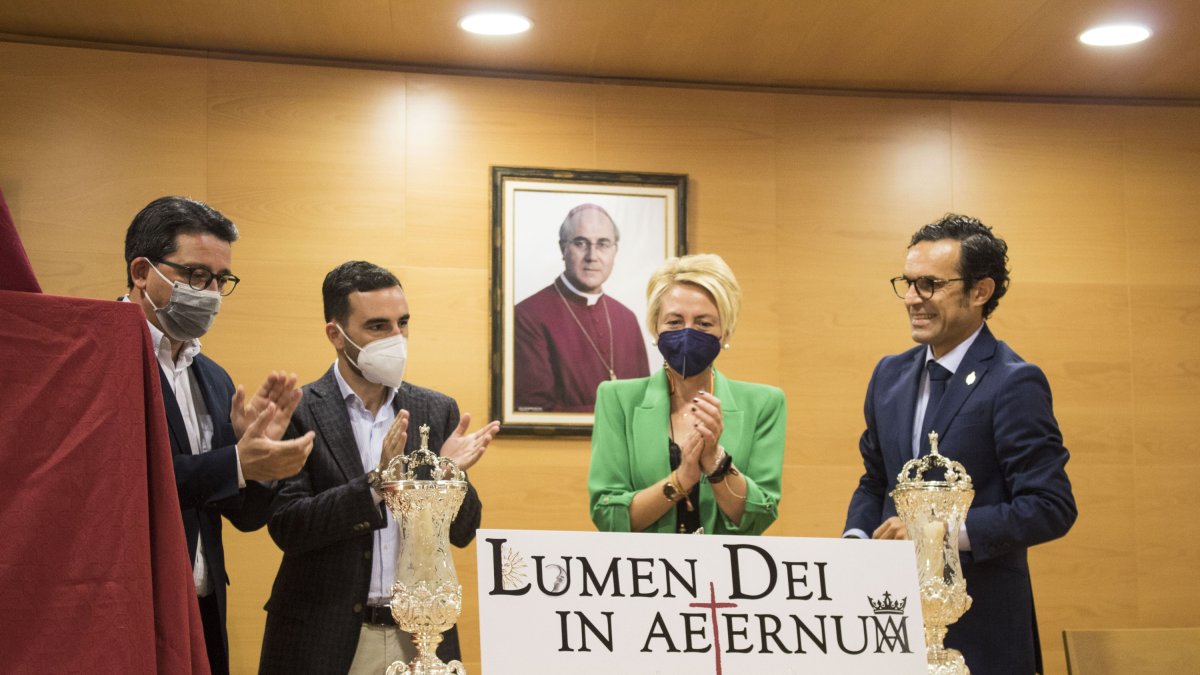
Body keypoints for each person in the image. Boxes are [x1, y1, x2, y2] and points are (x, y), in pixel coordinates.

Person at [843, 214, 1077, 675]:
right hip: (890, 627)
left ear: (980, 291)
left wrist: (938, 535)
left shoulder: (1014, 382)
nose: (913, 299)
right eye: (907, 283)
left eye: (929, 284)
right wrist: (854, 546)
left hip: (983, 635)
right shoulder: (887, 376)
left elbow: (1051, 506)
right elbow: (875, 483)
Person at [259, 261, 500, 674]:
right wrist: (377, 483)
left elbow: (463, 533)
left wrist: (449, 477)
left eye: (402, 323)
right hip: (325, 637)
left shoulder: (434, 410)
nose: (396, 338)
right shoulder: (300, 412)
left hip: (420, 637)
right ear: (336, 334)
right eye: (377, 326)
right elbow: (288, 526)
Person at [122, 196, 314, 675]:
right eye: (194, 275)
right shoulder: (98, 357)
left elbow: (241, 516)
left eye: (220, 280)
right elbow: (120, 482)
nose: (209, 292)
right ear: (142, 271)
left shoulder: (213, 377)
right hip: (128, 607)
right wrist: (234, 463)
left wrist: (260, 464)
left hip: (202, 608)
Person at [588, 253, 785, 535]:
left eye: (704, 324)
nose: (688, 333)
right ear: (655, 328)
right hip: (642, 574)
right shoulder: (617, 400)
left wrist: (716, 462)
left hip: (726, 574)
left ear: (725, 333)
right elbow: (607, 515)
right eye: (674, 322)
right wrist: (680, 481)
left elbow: (758, 516)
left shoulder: (765, 404)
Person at [514, 203, 650, 412]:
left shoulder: (626, 318)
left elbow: (645, 403)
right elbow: (535, 411)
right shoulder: (527, 315)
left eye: (603, 244)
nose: (592, 256)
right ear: (563, 248)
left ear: (615, 250)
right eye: (581, 243)